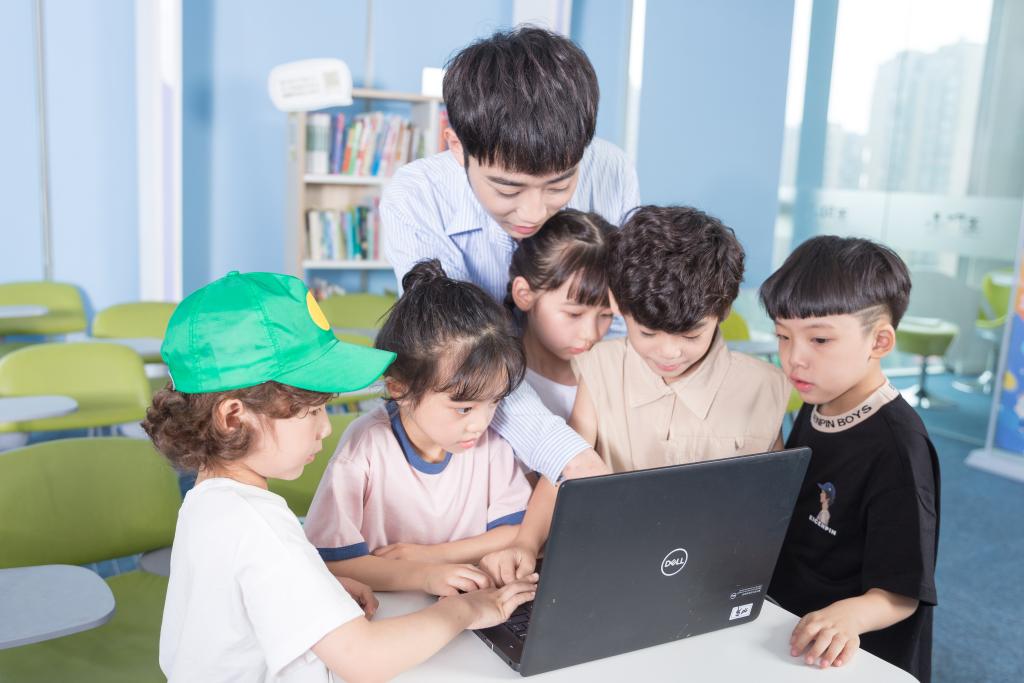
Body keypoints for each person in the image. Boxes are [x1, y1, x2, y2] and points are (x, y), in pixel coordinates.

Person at [144, 270, 536, 682]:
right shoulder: (259, 525)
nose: (326, 427)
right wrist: (464, 610)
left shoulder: (210, 503)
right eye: (311, 410)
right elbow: (364, 659)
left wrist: (319, 590)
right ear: (233, 418)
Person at [381, 26, 639, 582]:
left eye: (559, 184)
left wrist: (589, 427)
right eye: (507, 189)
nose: (534, 212)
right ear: (456, 145)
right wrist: (567, 455)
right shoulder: (415, 198)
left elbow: (620, 317)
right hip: (472, 415)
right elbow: (460, 357)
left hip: (581, 405)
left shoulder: (611, 169)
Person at [760, 236, 940, 681]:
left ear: (879, 341)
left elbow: (901, 592)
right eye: (783, 336)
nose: (794, 359)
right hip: (786, 621)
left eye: (820, 339)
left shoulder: (899, 448)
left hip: (849, 652)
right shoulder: (818, 398)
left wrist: (848, 617)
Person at [304, 260, 533, 593]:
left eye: (495, 401)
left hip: (468, 603)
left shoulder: (491, 442)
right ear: (400, 389)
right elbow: (331, 561)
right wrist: (425, 576)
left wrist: (433, 557)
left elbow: (516, 532)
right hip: (387, 611)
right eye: (464, 408)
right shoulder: (366, 446)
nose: (481, 422)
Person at [569, 205, 790, 472]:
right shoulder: (600, 368)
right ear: (616, 302)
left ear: (724, 310)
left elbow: (774, 488)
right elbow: (568, 472)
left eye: (691, 335)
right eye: (648, 333)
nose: (669, 352)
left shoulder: (764, 386)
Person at [506, 209, 616, 419]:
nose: (591, 334)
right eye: (574, 314)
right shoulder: (502, 387)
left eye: (606, 315)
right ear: (524, 294)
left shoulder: (615, 375)